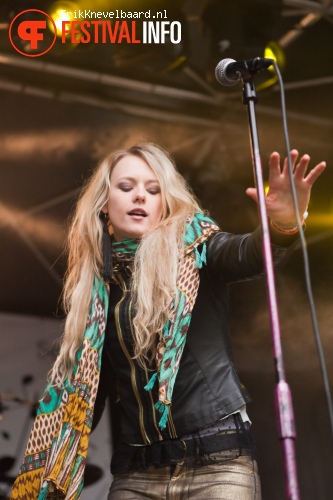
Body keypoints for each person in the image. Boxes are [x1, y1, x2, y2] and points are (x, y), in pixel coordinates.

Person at [10, 143, 326, 500]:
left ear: (165, 203)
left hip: (218, 460)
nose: (140, 197)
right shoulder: (98, 288)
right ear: (103, 202)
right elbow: (89, 394)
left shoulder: (195, 249)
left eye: (153, 189)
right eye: (126, 187)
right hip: (138, 470)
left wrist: (282, 224)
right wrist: (54, 466)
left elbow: (247, 254)